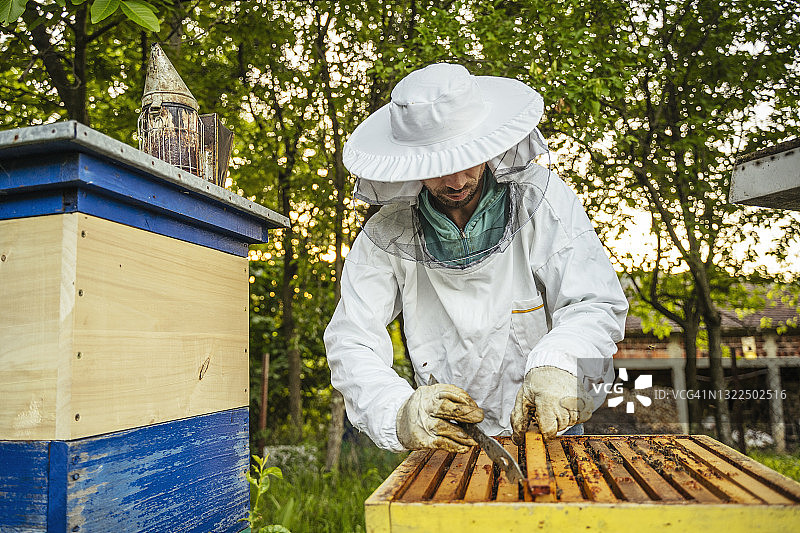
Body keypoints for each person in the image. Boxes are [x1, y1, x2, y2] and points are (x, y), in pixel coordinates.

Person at [324, 63, 628, 453]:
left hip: (547, 422)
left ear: (487, 144)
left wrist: (560, 363)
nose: (453, 182)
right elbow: (352, 339)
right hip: (447, 437)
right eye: (435, 169)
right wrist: (398, 411)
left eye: (464, 160)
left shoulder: (540, 199)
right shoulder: (386, 233)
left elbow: (594, 301)